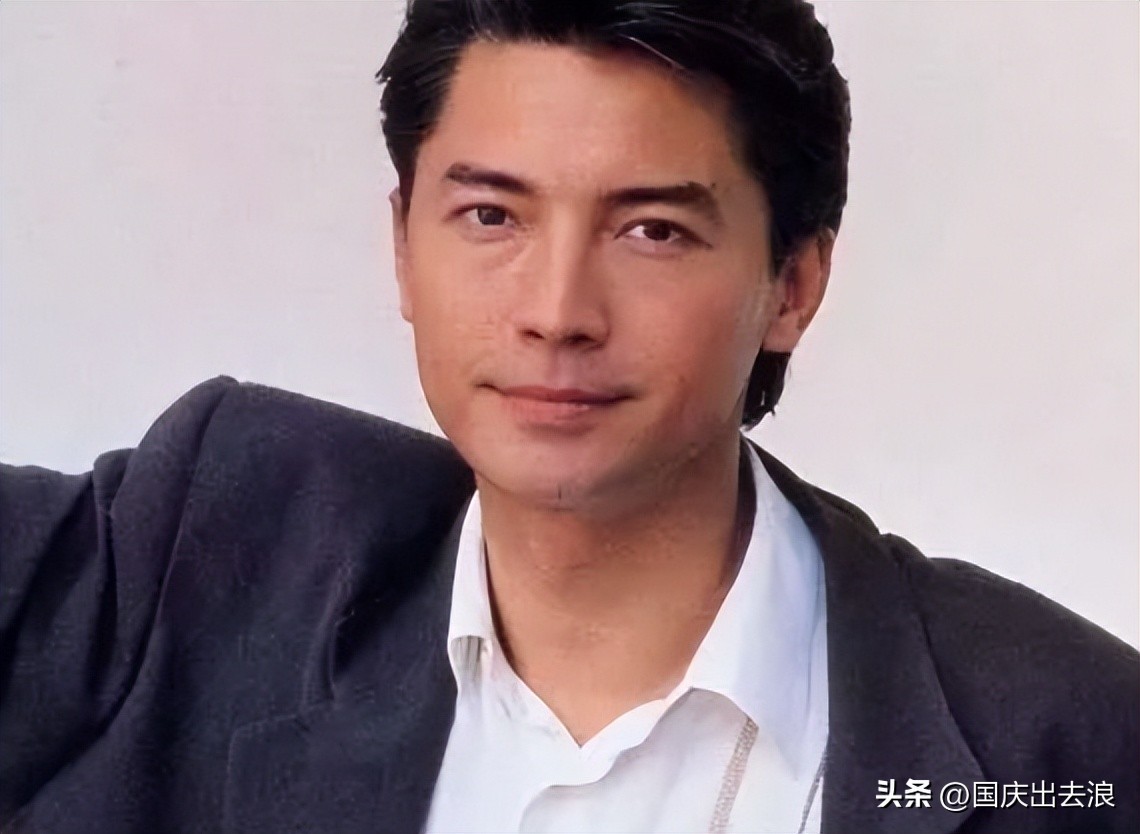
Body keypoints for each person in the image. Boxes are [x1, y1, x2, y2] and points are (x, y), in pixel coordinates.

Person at [1, 1, 1135, 832]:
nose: (556, 312)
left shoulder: (1058, 736)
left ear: (792, 285)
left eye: (653, 231)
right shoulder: (211, 545)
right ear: (402, 244)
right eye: (491, 215)